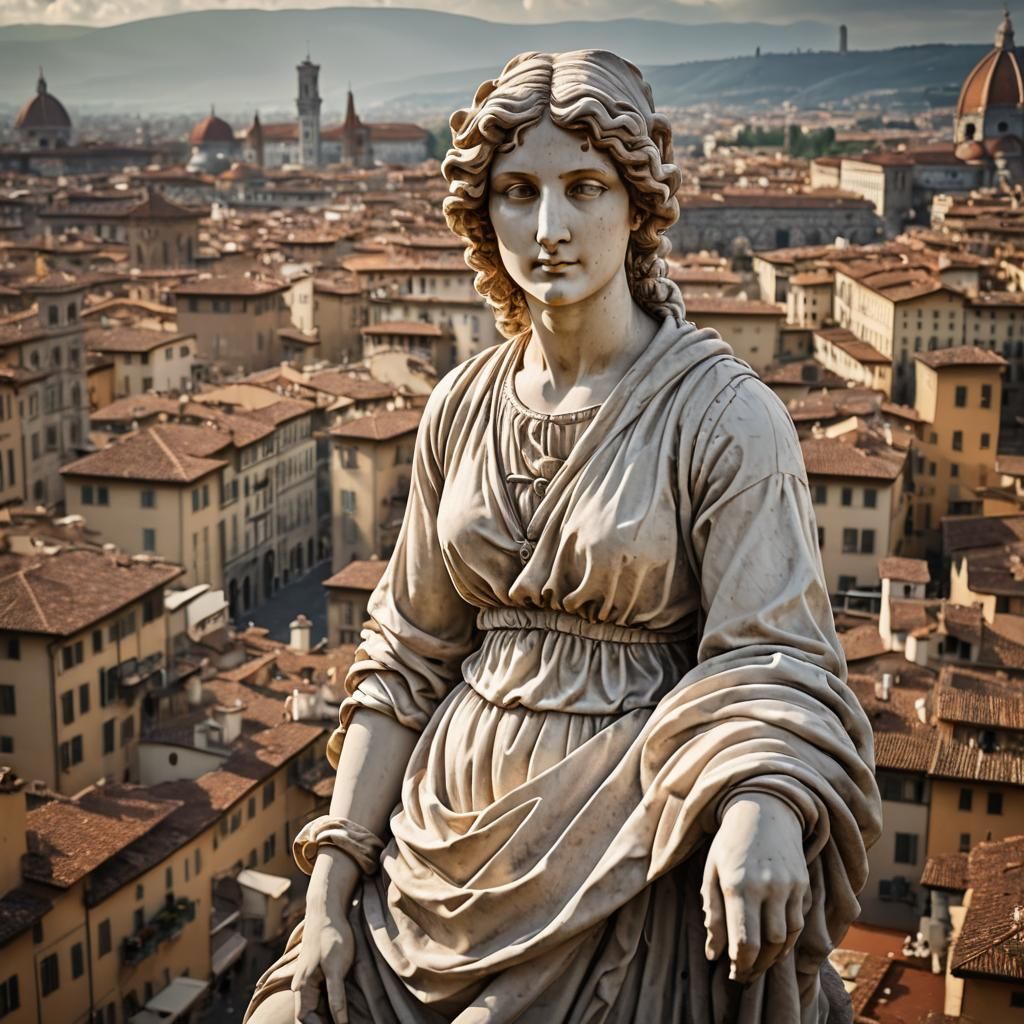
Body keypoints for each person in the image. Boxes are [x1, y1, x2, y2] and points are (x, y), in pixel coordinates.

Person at [244, 49, 882, 1024]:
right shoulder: (459, 403)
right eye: (516, 191)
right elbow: (405, 655)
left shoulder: (723, 414)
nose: (549, 228)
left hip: (622, 856)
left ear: (638, 205)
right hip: (430, 853)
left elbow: (777, 654)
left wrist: (763, 805)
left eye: (584, 187)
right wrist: (332, 881)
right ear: (480, 213)